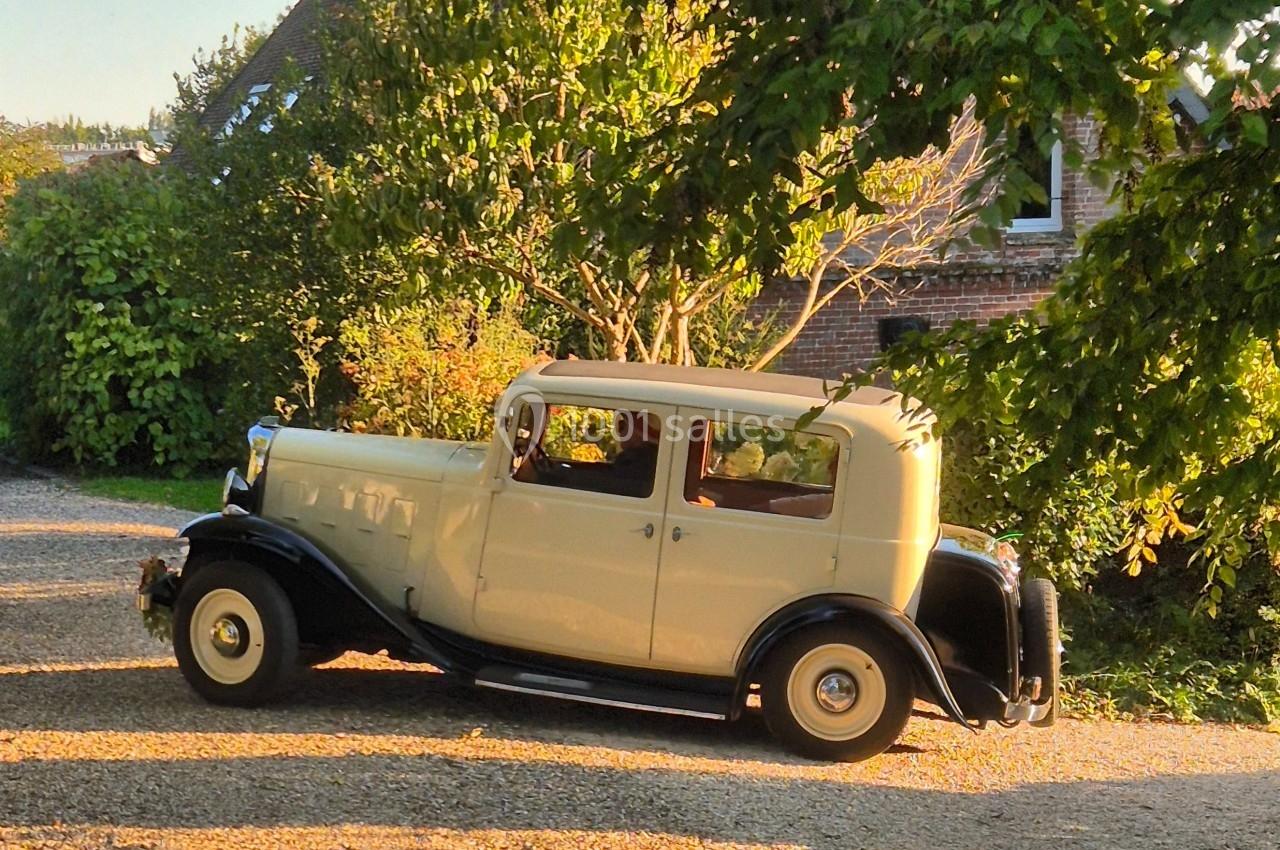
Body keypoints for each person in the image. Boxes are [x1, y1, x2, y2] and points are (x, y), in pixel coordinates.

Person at [610, 409, 660, 496]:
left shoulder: (632, 464)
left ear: (638, 434)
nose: (619, 433)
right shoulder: (658, 461)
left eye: (622, 426)